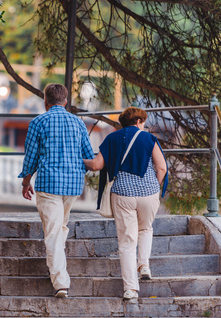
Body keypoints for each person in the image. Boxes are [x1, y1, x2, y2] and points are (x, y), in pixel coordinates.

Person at [18, 83, 95, 298]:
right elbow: (88, 155)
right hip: (72, 186)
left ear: (45, 101)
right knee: (60, 227)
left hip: (49, 184)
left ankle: (61, 282)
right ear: (65, 101)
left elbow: (31, 157)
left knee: (53, 232)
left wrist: (26, 182)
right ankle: (57, 268)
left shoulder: (38, 122)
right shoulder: (78, 123)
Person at [84, 107, 168, 300]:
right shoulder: (148, 138)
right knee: (145, 229)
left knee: (127, 242)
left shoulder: (112, 138)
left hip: (122, 193)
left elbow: (96, 165)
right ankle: (144, 265)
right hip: (148, 193)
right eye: (143, 121)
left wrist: (81, 161)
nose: (144, 124)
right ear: (138, 121)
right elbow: (162, 167)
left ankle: (131, 290)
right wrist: (153, 188)